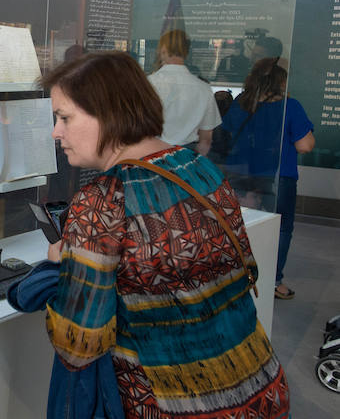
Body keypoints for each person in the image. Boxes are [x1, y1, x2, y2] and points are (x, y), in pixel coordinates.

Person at [41, 51, 289, 419]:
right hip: (261, 390)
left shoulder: (102, 201)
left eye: (65, 117)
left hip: (175, 406)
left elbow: (78, 347)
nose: (56, 132)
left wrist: (57, 268)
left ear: (108, 113)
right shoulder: (200, 168)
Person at [220, 57, 314, 300]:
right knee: (280, 229)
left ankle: (234, 276)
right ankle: (273, 280)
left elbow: (227, 133)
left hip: (240, 173)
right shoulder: (290, 106)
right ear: (281, 81)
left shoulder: (241, 103)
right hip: (276, 177)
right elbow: (305, 145)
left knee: (238, 225)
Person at [148, 29, 221, 155]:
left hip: (151, 153)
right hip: (187, 154)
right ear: (187, 52)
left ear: (163, 50)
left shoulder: (147, 84)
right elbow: (206, 140)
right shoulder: (204, 88)